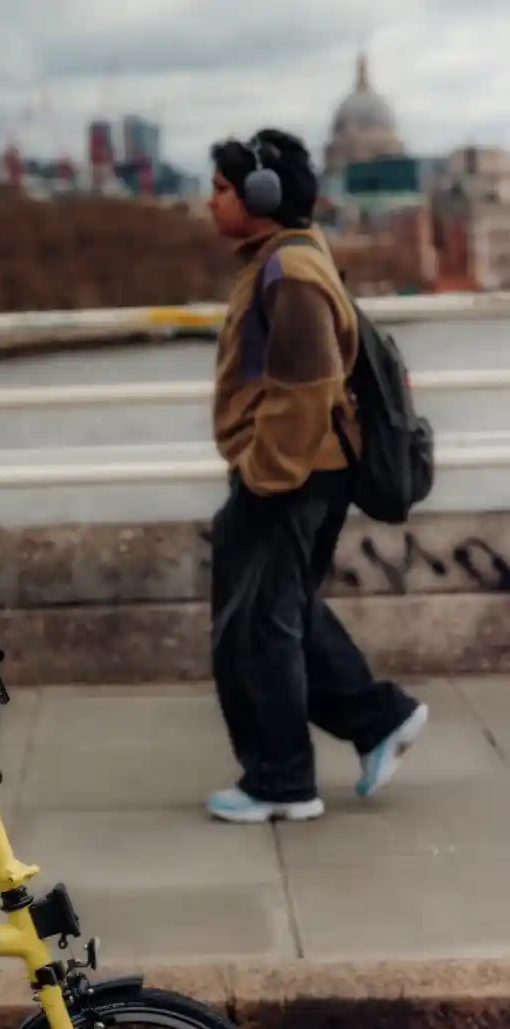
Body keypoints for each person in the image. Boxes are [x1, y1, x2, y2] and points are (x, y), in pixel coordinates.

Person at [203, 128, 427, 825]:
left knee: (258, 629)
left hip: (292, 475)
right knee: (282, 612)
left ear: (260, 195)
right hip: (304, 470)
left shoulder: (291, 272)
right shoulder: (285, 259)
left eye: (220, 189)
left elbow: (307, 387)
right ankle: (379, 720)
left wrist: (264, 475)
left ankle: (282, 781)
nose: (209, 202)